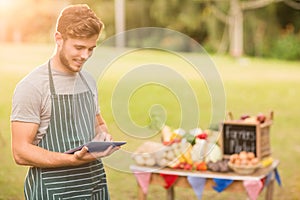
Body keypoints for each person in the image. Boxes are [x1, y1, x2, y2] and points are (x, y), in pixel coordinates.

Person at [10, 4, 119, 199]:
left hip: (95, 186)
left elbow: (98, 124)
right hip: (53, 191)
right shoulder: (33, 86)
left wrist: (104, 138)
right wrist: (72, 160)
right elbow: (20, 151)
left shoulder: (88, 81)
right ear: (59, 39)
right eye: (78, 47)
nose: (85, 56)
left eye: (90, 49)